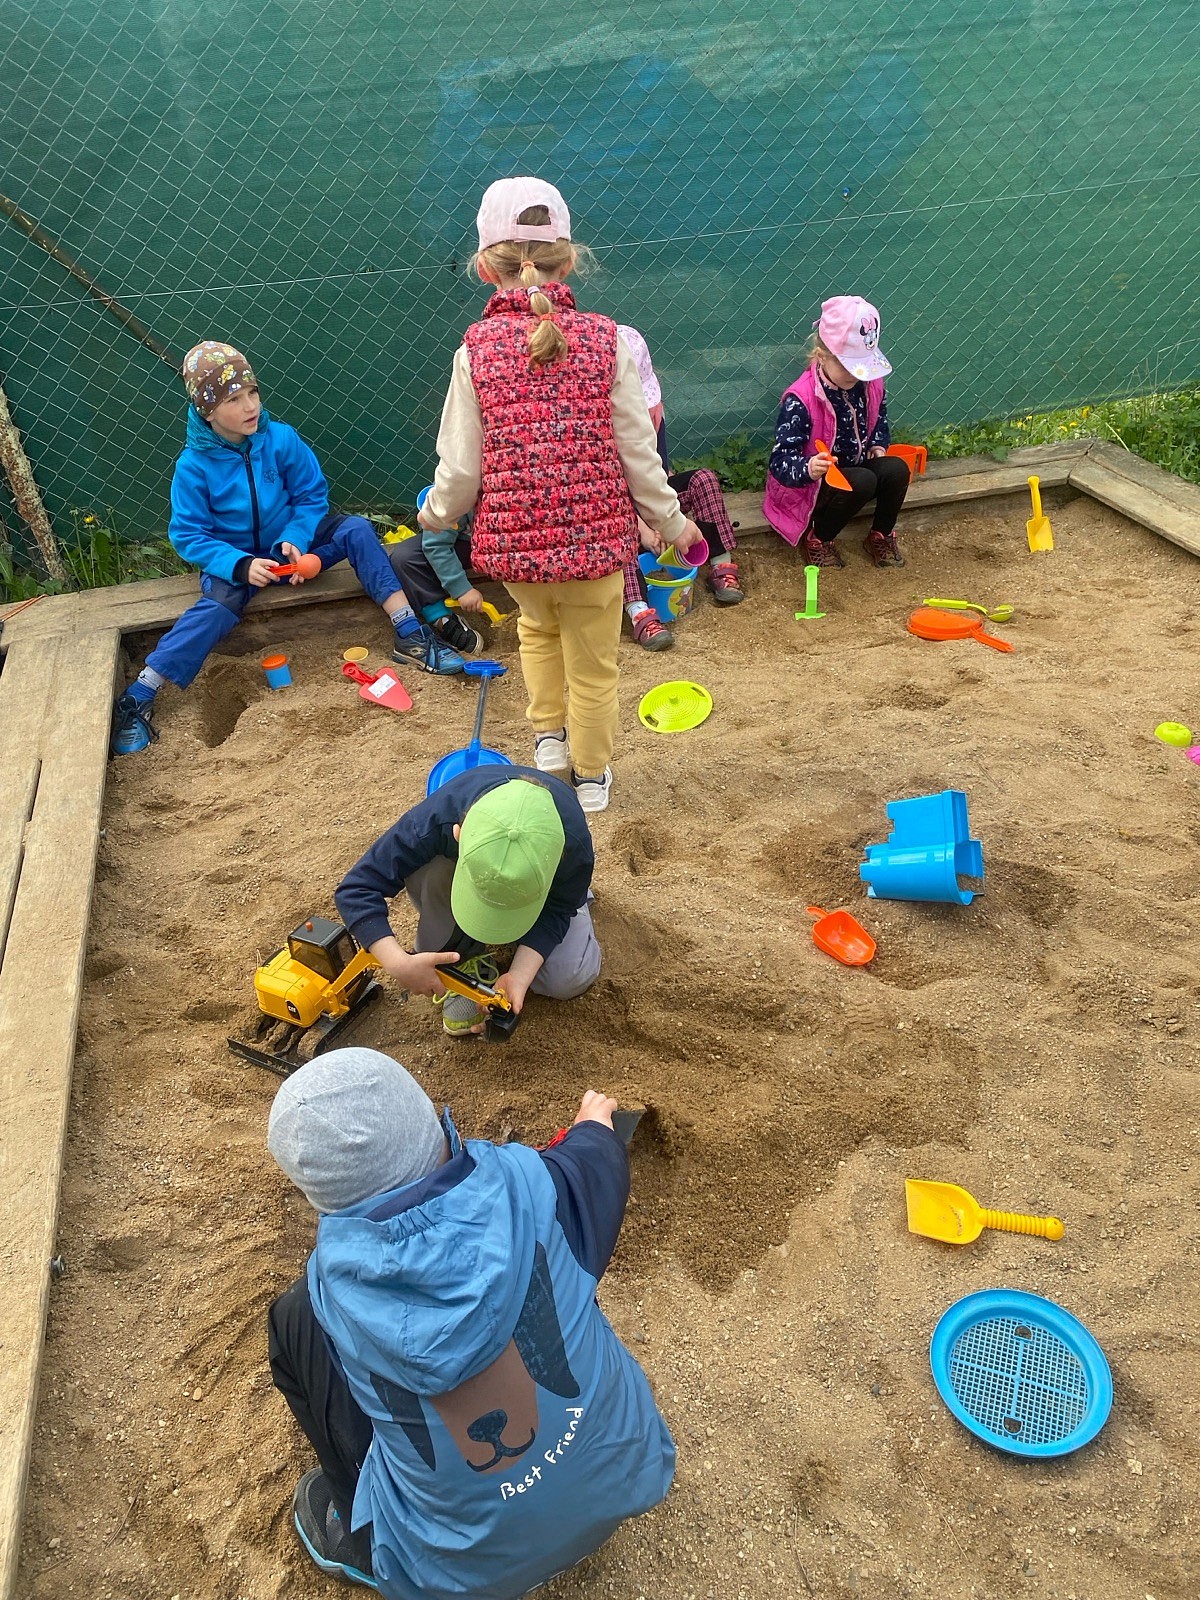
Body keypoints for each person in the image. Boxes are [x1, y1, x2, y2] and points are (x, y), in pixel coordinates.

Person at [267, 1049, 674, 1598]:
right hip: (624, 1474)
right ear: (435, 1127)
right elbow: (599, 1159)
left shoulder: (316, 1307)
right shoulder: (542, 1185)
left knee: (299, 1343)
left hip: (458, 1576)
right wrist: (593, 1129)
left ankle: (359, 1534)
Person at [416, 176, 705, 814]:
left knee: (537, 632)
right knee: (594, 664)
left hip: (516, 550)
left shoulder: (474, 350)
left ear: (485, 268)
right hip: (596, 546)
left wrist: (434, 514)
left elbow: (459, 469)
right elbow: (639, 453)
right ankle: (592, 776)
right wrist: (673, 522)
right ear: (569, 261)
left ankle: (549, 740)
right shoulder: (607, 340)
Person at [110, 341, 465, 756]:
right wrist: (239, 564)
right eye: (233, 400)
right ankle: (141, 693)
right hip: (239, 564)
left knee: (356, 529)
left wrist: (297, 539)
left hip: (291, 550)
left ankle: (410, 634)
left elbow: (311, 496)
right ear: (207, 412)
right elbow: (189, 535)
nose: (250, 406)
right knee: (215, 609)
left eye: (252, 392)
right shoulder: (193, 466)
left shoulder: (280, 439)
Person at [335, 768, 599, 1036]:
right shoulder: (439, 817)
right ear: (458, 833)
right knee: (429, 867)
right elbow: (357, 887)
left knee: (567, 978)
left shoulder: (574, 847)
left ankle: (574, 897)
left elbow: (559, 909)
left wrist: (519, 975)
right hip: (447, 849)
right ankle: (462, 953)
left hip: (558, 887)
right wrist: (396, 962)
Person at [615, 324, 745, 652]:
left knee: (703, 479)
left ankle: (721, 564)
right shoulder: (599, 425)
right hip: (619, 508)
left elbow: (659, 469)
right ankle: (639, 610)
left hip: (655, 502)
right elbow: (611, 493)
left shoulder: (653, 411)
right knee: (615, 526)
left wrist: (669, 515)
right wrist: (647, 529)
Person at [763, 295, 910, 570]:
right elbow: (780, 462)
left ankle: (881, 534)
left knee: (897, 469)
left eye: (863, 364)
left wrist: (877, 445)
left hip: (855, 471)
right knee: (863, 480)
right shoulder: (801, 399)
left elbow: (879, 418)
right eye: (849, 365)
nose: (857, 374)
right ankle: (819, 538)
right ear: (822, 355)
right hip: (814, 486)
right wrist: (809, 467)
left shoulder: (869, 382)